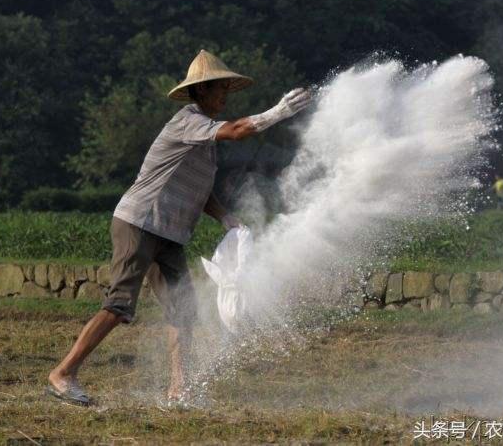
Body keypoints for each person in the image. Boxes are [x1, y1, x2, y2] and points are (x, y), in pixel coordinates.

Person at [46, 49, 312, 406]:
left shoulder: (205, 142)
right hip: (140, 222)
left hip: (169, 233)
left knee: (182, 309)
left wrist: (225, 219)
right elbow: (237, 131)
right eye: (219, 90)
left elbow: (200, 193)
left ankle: (178, 389)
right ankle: (63, 373)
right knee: (120, 304)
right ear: (200, 92)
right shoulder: (187, 121)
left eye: (227, 91)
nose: (224, 97)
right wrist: (278, 112)